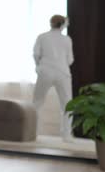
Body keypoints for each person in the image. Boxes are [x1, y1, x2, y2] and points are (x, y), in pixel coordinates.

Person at [32, 14, 74, 142]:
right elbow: (70, 60)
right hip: (63, 73)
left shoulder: (42, 37)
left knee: (37, 102)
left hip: (45, 71)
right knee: (67, 104)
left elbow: (36, 54)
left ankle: (32, 131)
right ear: (62, 24)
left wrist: (39, 67)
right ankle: (66, 135)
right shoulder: (67, 39)